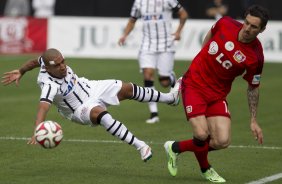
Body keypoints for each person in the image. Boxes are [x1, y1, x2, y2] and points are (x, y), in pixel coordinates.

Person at [2, 48, 181, 162]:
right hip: (79, 109)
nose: (63, 67)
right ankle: (141, 146)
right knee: (101, 115)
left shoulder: (46, 62)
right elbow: (43, 106)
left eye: (63, 61)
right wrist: (38, 128)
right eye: (58, 65)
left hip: (90, 87)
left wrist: (21, 71)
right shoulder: (49, 84)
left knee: (128, 89)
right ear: (48, 70)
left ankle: (170, 99)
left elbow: (35, 61)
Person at [164, 5, 269, 183]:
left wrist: (253, 119)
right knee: (201, 134)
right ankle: (206, 170)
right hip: (194, 84)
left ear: (262, 30)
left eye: (254, 27)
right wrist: (201, 57)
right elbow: (210, 36)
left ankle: (175, 147)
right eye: (246, 23)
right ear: (244, 19)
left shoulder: (256, 57)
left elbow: (253, 87)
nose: (247, 29)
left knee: (222, 141)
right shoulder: (225, 23)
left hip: (217, 94)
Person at [118, 0, 188, 124]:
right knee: (148, 74)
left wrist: (178, 32)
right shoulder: (139, 2)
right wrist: (124, 35)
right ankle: (154, 113)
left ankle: (172, 79)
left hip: (166, 44)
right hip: (147, 45)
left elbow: (183, 14)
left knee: (164, 82)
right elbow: (132, 20)